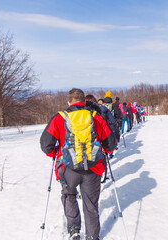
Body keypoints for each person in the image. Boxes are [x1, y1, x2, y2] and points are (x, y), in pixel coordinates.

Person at [40, 88, 116, 240]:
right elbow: (110, 144)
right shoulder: (95, 117)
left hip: (68, 168)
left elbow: (45, 145)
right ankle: (92, 236)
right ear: (84, 101)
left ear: (69, 102)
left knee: (69, 195)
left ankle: (74, 229)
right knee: (90, 204)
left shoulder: (60, 118)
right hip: (93, 168)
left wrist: (56, 153)